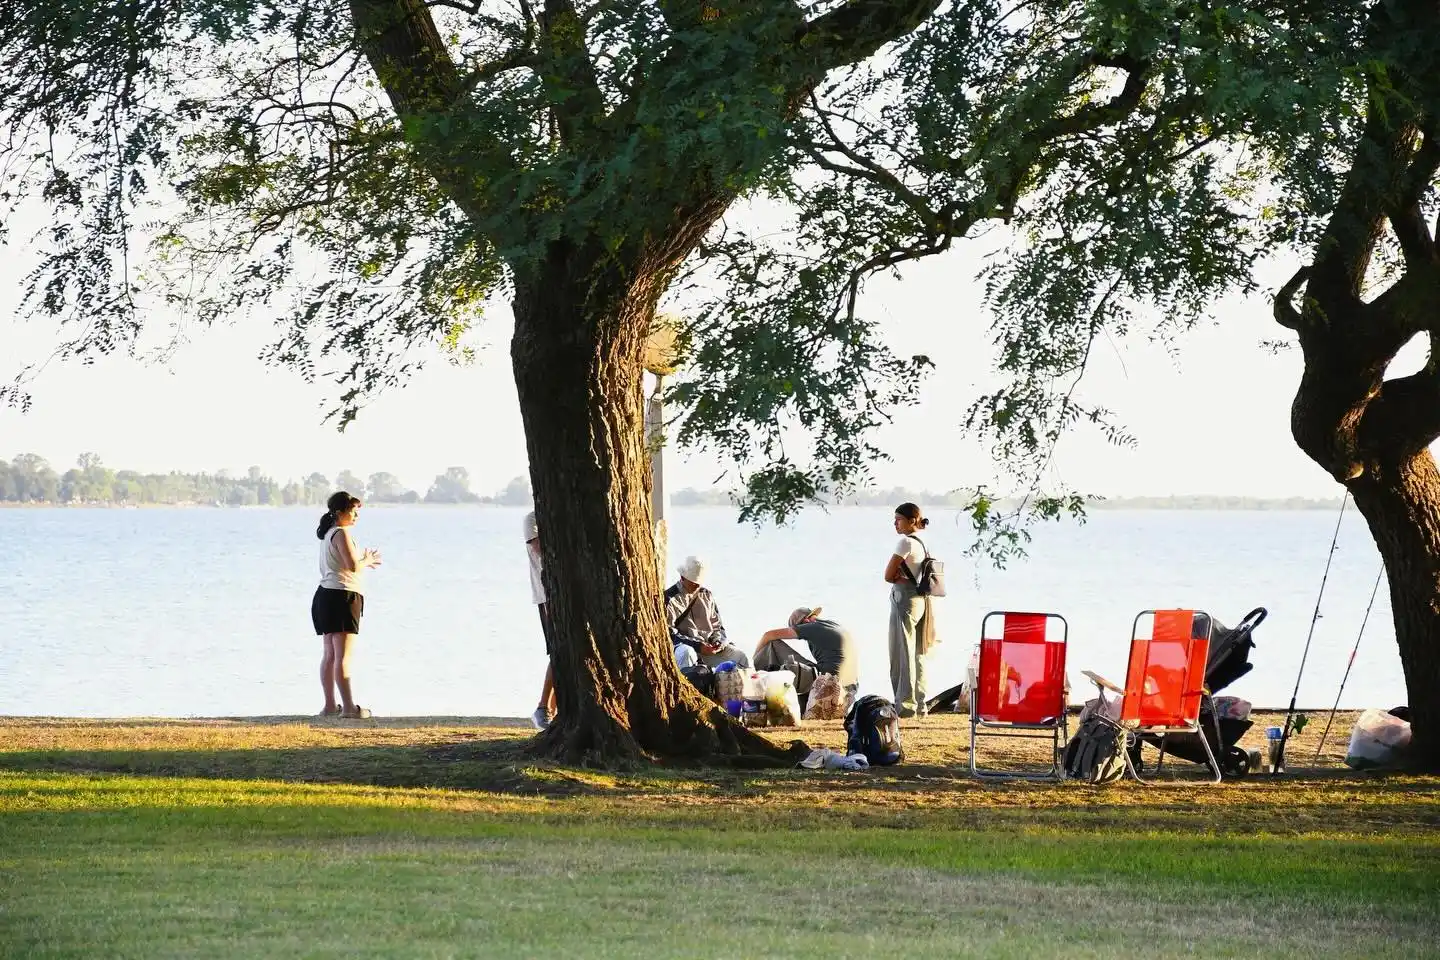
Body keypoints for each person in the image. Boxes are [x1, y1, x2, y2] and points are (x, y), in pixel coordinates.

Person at [312, 491, 381, 719]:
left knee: (329, 654)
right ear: (340, 512)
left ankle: (330, 706)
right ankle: (349, 708)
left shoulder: (328, 534)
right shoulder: (341, 534)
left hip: (325, 595)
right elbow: (352, 565)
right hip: (341, 596)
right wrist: (368, 560)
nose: (356, 516)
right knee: (342, 656)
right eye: (353, 512)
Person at [884, 502, 936, 718]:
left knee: (901, 653)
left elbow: (888, 575)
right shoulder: (923, 542)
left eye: (898, 519)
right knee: (918, 653)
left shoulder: (905, 542)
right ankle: (921, 704)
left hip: (904, 599)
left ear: (912, 520)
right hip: (922, 600)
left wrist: (897, 576)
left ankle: (905, 706)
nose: (895, 523)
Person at [754, 606, 859, 702]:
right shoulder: (834, 625)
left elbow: (768, 635)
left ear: (805, 621)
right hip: (849, 688)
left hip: (828, 681)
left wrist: (754, 658)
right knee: (793, 704)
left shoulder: (812, 627)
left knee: (773, 644)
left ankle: (760, 682)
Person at [666, 556, 750, 669]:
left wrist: (718, 642)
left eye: (698, 583)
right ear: (682, 577)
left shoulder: (707, 595)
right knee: (686, 652)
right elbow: (669, 634)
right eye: (693, 582)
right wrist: (697, 646)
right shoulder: (670, 598)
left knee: (739, 656)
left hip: (708, 648)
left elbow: (718, 627)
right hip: (686, 647)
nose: (696, 586)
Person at [525, 511, 558, 731]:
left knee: (569, 651)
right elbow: (539, 548)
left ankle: (555, 710)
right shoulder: (532, 519)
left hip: (566, 596)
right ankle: (542, 707)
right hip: (547, 596)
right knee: (558, 651)